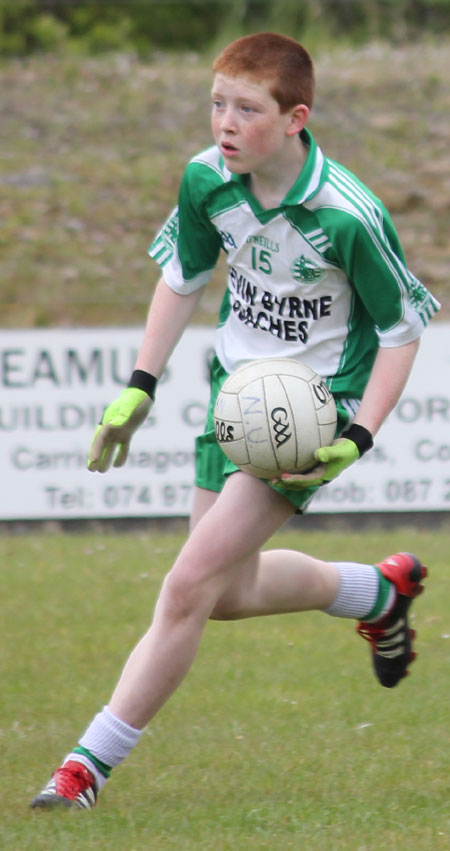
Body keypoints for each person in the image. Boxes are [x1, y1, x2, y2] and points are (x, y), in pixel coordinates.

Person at [31, 32, 439, 810]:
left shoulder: (348, 215)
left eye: (246, 109)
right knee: (225, 590)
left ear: (295, 118)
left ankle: (85, 767)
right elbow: (181, 277)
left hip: (307, 416)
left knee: (186, 583)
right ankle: (377, 592)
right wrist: (140, 385)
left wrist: (357, 436)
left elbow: (402, 330)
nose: (225, 123)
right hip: (235, 402)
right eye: (217, 103)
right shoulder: (206, 179)